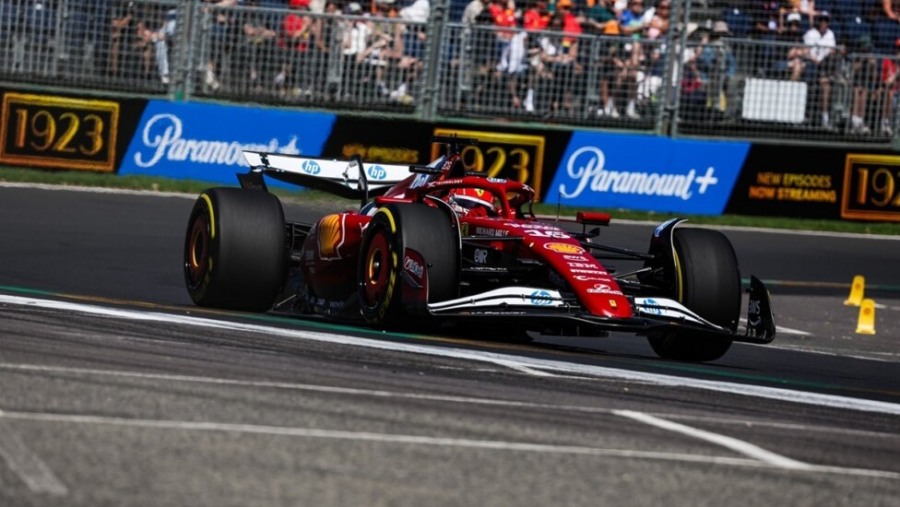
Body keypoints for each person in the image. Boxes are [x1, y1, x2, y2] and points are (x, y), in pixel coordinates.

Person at [803, 10, 838, 128]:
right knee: (811, 77)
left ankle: (825, 117)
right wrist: (816, 60)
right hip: (812, 63)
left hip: (825, 64)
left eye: (826, 21)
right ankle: (807, 115)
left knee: (826, 85)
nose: (824, 23)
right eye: (822, 21)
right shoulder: (811, 33)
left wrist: (825, 60)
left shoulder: (830, 34)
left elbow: (832, 51)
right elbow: (806, 52)